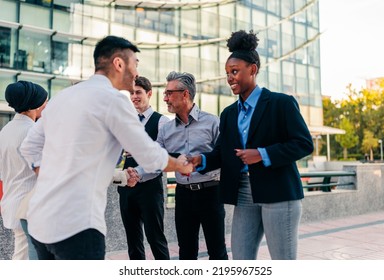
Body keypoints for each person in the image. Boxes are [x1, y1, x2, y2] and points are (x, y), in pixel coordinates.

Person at [19, 35, 192, 260]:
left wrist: (48, 173)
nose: (137, 73)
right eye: (135, 64)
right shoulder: (113, 99)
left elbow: (29, 146)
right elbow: (149, 156)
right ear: (119, 64)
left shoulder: (63, 97)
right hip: (77, 225)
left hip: (41, 222)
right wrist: (180, 165)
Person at [190, 30, 314, 260]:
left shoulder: (281, 103)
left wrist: (263, 154)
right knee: (241, 260)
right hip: (244, 193)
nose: (230, 78)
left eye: (235, 71)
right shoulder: (228, 114)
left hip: (279, 192)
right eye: (227, 73)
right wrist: (201, 160)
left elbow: (303, 144)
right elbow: (222, 152)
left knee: (282, 260)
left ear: (253, 69)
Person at [145, 71, 228, 260]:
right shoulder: (165, 129)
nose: (165, 98)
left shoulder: (213, 122)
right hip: (183, 195)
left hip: (211, 193)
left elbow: (223, 157)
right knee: (186, 252)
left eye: (169, 93)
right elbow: (155, 160)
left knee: (217, 251)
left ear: (185, 94)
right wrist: (136, 173)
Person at [118, 76, 170, 260]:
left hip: (149, 189)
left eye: (138, 92)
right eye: (131, 93)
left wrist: (139, 151)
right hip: (126, 188)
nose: (134, 97)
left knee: (155, 238)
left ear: (149, 93)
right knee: (133, 241)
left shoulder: (162, 122)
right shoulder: (125, 122)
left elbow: (161, 157)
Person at [0, 81, 48, 260]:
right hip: (29, 206)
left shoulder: (5, 131)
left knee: (21, 255)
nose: (47, 106)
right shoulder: (33, 132)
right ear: (35, 105)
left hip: (11, 202)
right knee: (25, 260)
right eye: (45, 102)